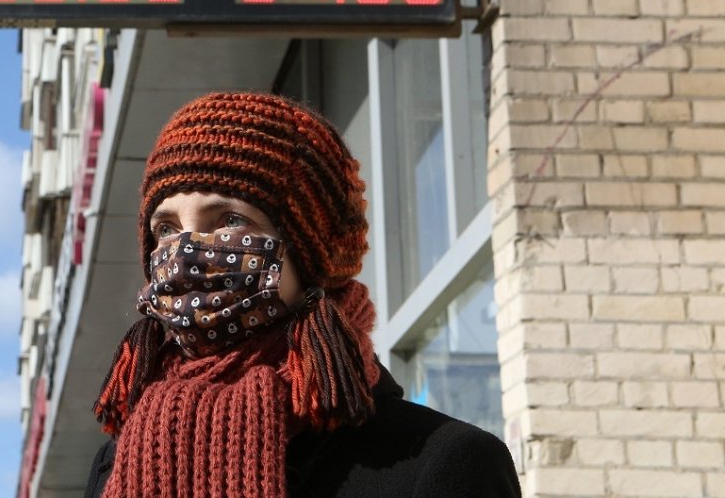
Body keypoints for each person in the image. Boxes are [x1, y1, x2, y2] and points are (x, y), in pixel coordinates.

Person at [85, 92, 520, 498]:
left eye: (230, 220)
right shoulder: (117, 460)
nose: (185, 251)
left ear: (314, 252)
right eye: (166, 228)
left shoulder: (442, 463)